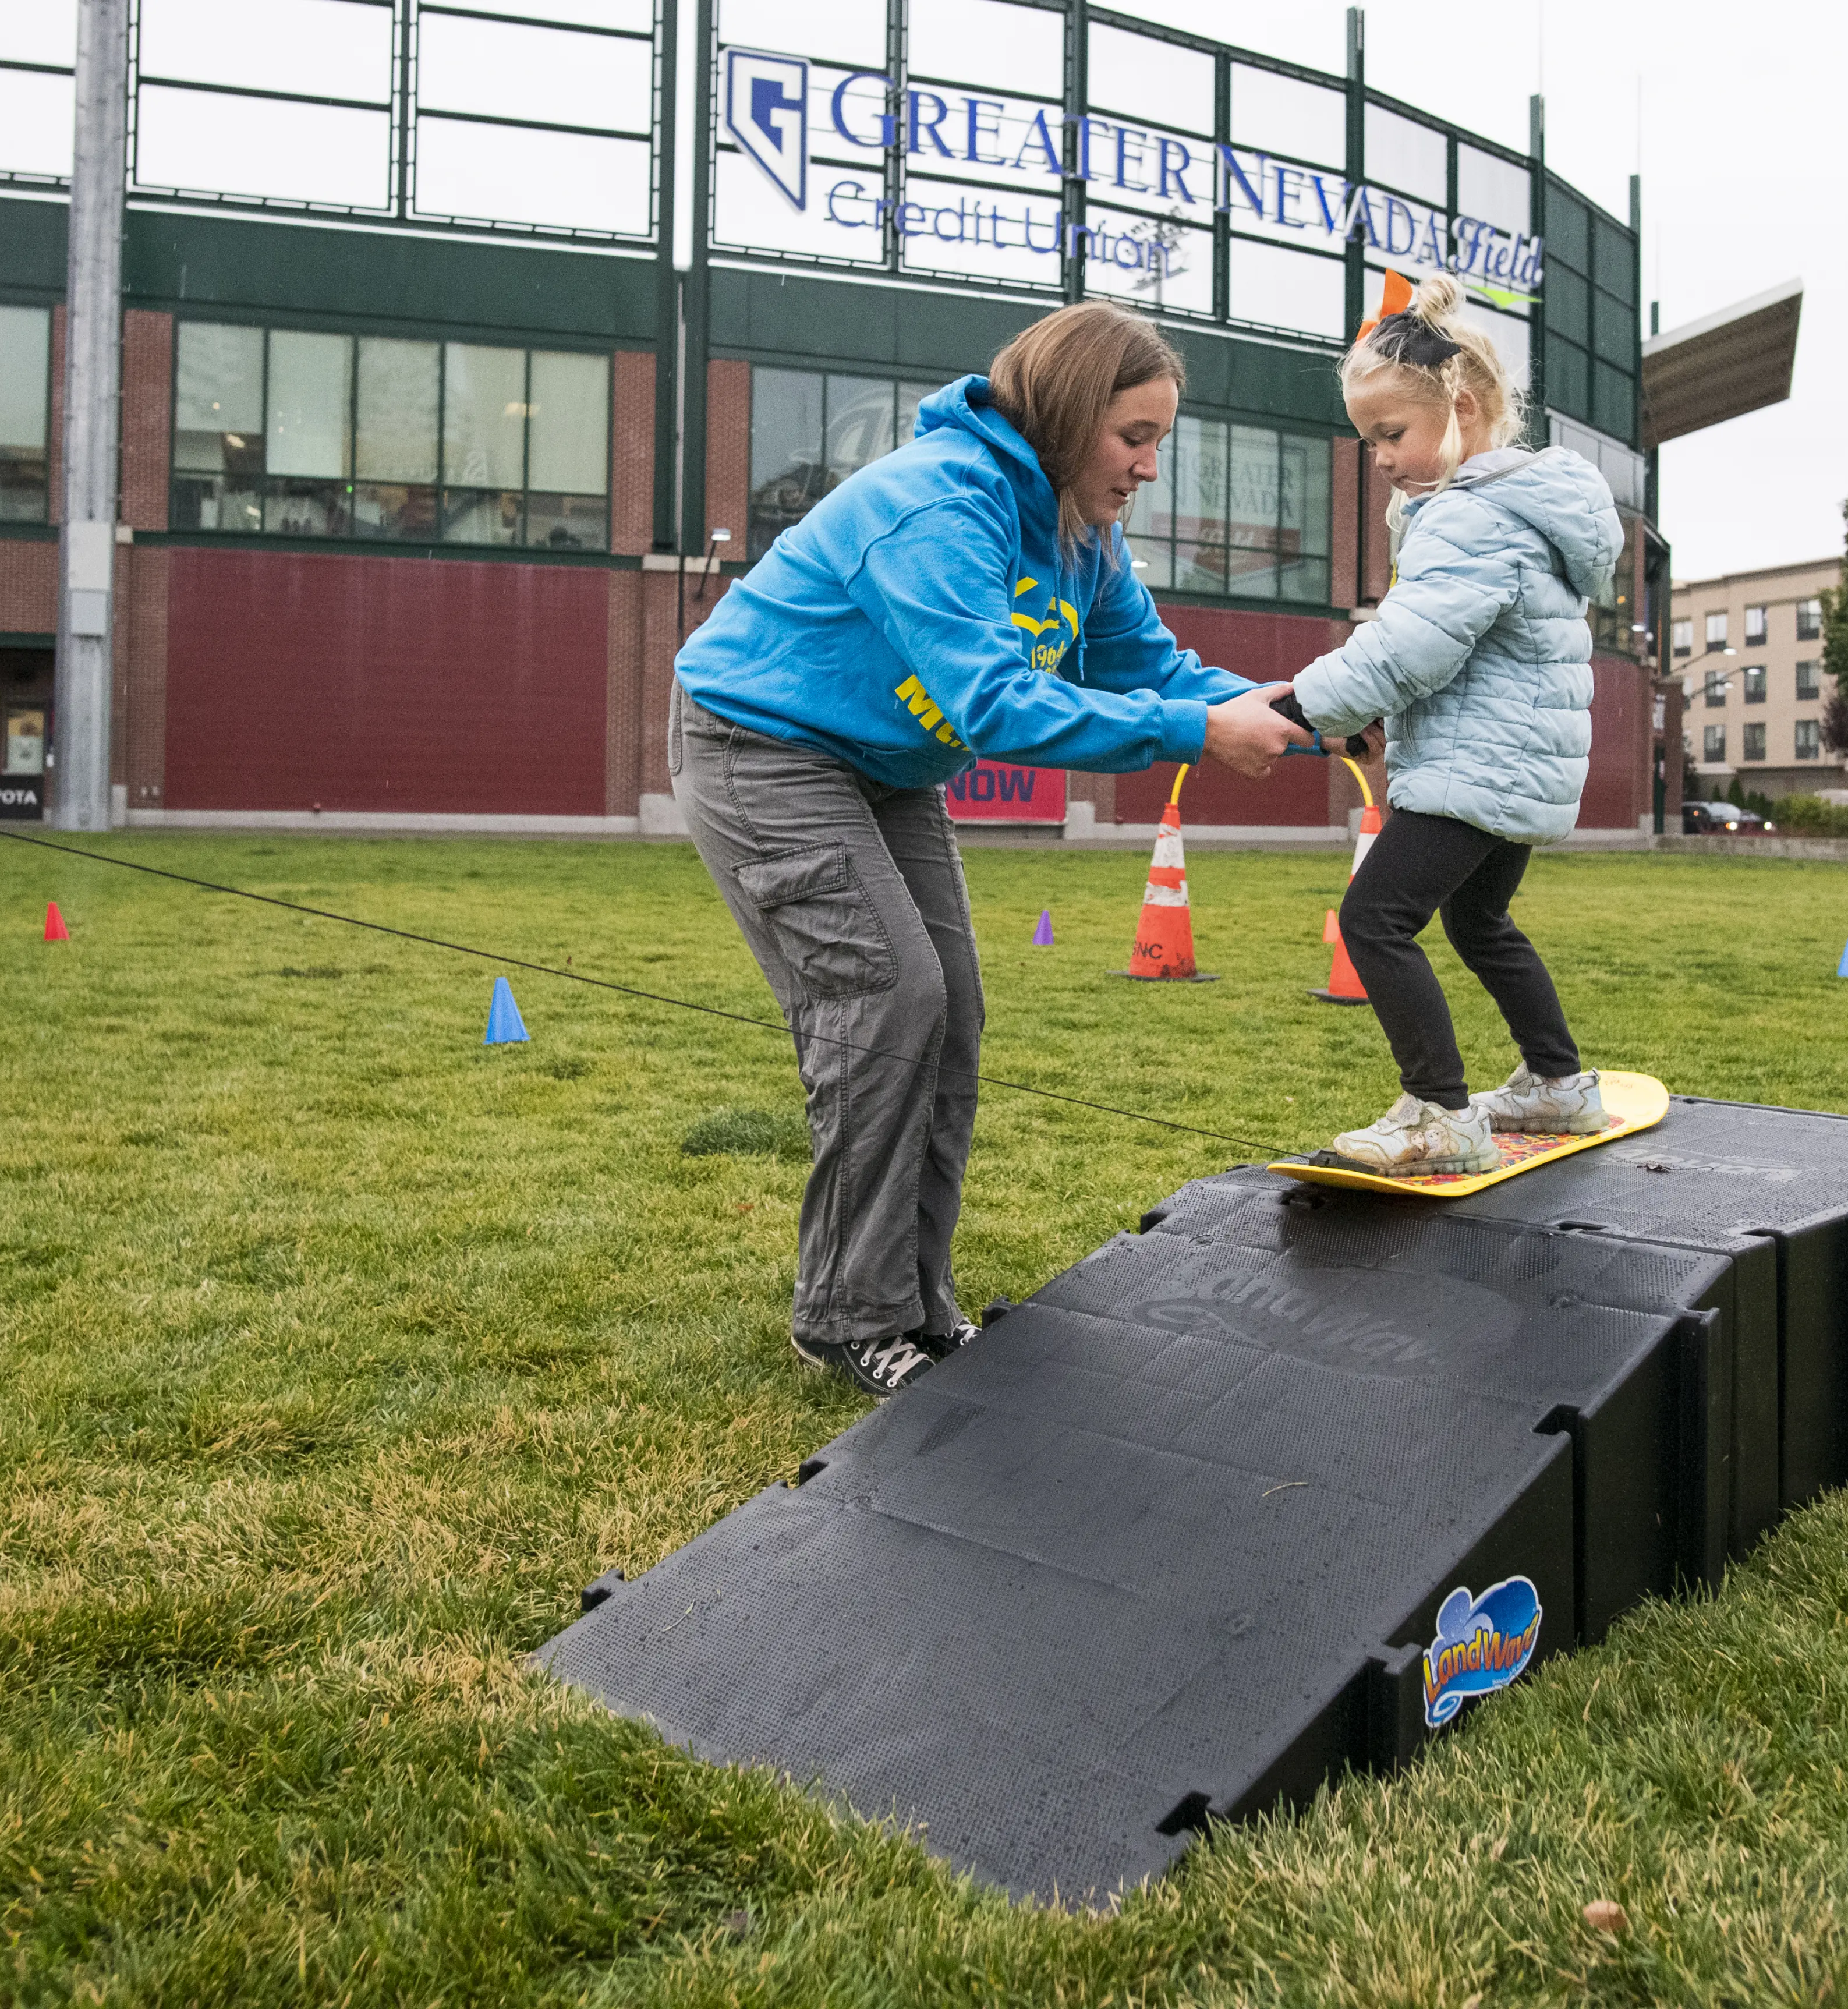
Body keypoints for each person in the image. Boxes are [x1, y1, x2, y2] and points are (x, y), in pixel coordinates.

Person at [671, 303, 1306, 1395]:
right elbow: (997, 702)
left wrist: (1315, 703)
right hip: (762, 747)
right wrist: (1199, 731)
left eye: (1161, 439)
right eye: (1134, 437)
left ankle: (917, 1305)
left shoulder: (1080, 533)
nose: (1150, 466)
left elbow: (1145, 667)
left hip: (887, 767)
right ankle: (847, 1316)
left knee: (951, 1006)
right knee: (886, 996)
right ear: (1065, 417)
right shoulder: (934, 503)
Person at [1288, 274, 1626, 1176]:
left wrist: (1306, 705)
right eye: (1368, 441)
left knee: (1375, 919)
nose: (1382, 459)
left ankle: (1439, 1110)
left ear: (1461, 408)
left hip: (1476, 766)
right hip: (1515, 762)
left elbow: (1411, 643)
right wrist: (1374, 716)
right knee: (1480, 919)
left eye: (1391, 434)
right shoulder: (1520, 512)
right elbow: (1453, 643)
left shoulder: (1468, 515)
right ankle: (1555, 1082)